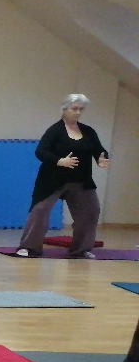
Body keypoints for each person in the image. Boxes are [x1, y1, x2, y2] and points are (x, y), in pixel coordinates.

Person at [15, 94, 110, 259]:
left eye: (81, 109)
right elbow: (41, 151)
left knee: (91, 210)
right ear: (64, 109)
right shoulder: (55, 130)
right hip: (52, 180)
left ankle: (81, 249)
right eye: (74, 109)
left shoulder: (88, 131)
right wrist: (59, 161)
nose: (78, 112)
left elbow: (99, 150)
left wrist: (101, 158)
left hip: (81, 180)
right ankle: (29, 247)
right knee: (40, 210)